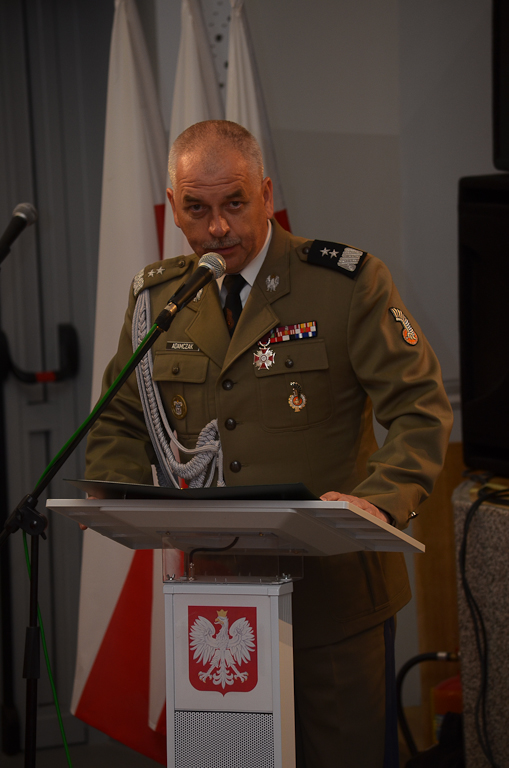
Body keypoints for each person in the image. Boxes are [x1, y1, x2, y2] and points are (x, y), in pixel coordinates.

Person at [85, 120, 453, 767]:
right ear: (173, 206)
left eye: (234, 203)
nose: (217, 228)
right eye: (196, 209)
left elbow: (419, 407)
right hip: (218, 605)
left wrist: (379, 501)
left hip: (334, 599)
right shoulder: (159, 298)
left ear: (265, 192)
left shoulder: (344, 283)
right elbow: (118, 420)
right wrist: (121, 496)